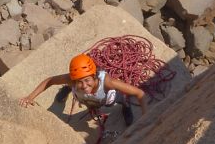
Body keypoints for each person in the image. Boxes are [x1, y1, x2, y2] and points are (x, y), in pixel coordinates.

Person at [18, 54, 147, 126]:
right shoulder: (71, 80)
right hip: (84, 97)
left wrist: (146, 117)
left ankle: (125, 105)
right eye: (79, 81)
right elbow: (49, 81)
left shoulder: (108, 82)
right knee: (80, 92)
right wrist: (30, 97)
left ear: (95, 76)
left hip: (103, 96)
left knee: (112, 101)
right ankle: (67, 88)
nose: (84, 85)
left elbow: (139, 93)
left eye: (87, 80)